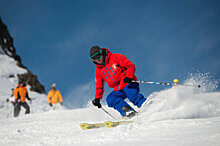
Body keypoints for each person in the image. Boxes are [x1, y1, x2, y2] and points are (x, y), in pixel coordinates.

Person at [90, 46, 147, 118]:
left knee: (132, 95)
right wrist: (97, 98)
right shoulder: (98, 70)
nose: (97, 59)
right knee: (111, 98)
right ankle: (128, 112)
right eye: (93, 58)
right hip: (118, 88)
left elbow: (130, 65)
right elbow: (99, 86)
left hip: (127, 82)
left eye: (98, 56)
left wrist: (128, 76)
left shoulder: (115, 57)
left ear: (102, 53)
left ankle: (147, 106)